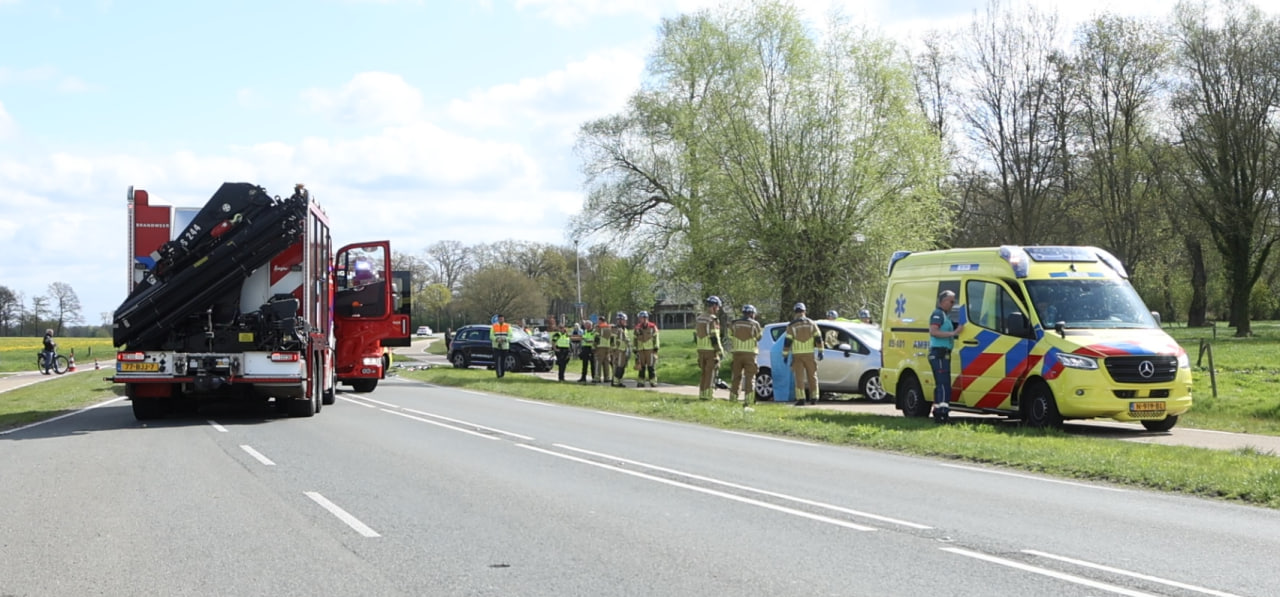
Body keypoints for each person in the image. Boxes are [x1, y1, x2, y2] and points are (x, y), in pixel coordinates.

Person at [929, 290, 964, 423]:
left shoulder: (945, 315)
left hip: (943, 353)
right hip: (939, 353)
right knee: (944, 385)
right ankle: (942, 413)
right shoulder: (938, 314)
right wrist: (953, 333)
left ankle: (938, 411)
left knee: (941, 384)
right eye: (951, 301)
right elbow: (934, 331)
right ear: (943, 301)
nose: (953, 304)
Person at [783, 302, 824, 406]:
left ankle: (801, 399)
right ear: (804, 311)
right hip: (809, 354)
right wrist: (820, 351)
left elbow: (787, 341)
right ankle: (814, 398)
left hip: (797, 355)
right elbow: (818, 338)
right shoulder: (812, 323)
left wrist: (785, 354)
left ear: (795, 312)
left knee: (799, 377)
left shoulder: (792, 325)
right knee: (812, 376)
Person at [728, 304, 763, 409]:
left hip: (737, 353)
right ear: (752, 314)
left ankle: (733, 399)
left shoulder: (734, 323)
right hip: (750, 354)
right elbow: (759, 337)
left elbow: (730, 335)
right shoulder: (755, 324)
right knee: (750, 377)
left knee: (736, 377)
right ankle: (749, 400)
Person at [694, 296, 724, 400]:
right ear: (714, 306)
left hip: (701, 350)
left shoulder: (699, 318)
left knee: (703, 373)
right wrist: (720, 350)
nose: (718, 309)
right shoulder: (712, 319)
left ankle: (702, 394)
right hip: (711, 350)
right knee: (710, 374)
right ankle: (708, 396)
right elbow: (714, 337)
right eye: (718, 306)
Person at [632, 311, 660, 388]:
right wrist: (634, 348)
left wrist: (656, 346)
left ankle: (653, 382)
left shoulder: (652, 326)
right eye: (639, 318)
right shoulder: (637, 328)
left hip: (650, 350)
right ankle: (641, 382)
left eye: (641, 318)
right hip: (641, 350)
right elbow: (634, 339)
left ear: (646, 318)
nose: (640, 320)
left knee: (651, 367)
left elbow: (656, 337)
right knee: (641, 367)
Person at [609, 312, 632, 387]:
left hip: (624, 350)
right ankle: (615, 382)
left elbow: (626, 340)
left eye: (625, 320)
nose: (625, 321)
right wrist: (614, 350)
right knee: (618, 367)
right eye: (623, 320)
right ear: (619, 320)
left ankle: (619, 382)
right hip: (618, 351)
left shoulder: (624, 329)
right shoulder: (615, 329)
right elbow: (612, 341)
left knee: (622, 367)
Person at [594, 317, 615, 385]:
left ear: (600, 321)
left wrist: (594, 346)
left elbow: (596, 338)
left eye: (598, 321)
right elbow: (612, 338)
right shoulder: (609, 327)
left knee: (598, 362)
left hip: (600, 347)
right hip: (607, 347)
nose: (598, 322)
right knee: (606, 363)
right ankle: (607, 377)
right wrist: (611, 347)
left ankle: (597, 377)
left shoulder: (599, 328)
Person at [491, 314, 513, 378]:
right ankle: (499, 375)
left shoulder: (508, 326)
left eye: (502, 319)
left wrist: (505, 339)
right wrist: (496, 339)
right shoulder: (494, 326)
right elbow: (491, 336)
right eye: (500, 319)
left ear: (504, 319)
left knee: (503, 361)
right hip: (496, 346)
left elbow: (510, 336)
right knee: (498, 362)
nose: (501, 320)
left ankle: (502, 374)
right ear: (498, 319)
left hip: (505, 346)